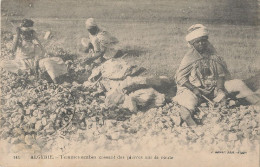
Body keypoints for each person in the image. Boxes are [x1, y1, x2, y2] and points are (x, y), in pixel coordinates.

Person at [173, 24, 260, 126]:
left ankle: (257, 103)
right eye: (197, 42)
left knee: (238, 84)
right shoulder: (188, 58)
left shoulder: (214, 55)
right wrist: (193, 89)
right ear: (192, 44)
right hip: (196, 91)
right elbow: (180, 78)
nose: (201, 43)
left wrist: (220, 89)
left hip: (214, 88)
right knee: (188, 101)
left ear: (207, 40)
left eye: (203, 40)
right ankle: (189, 120)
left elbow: (220, 75)